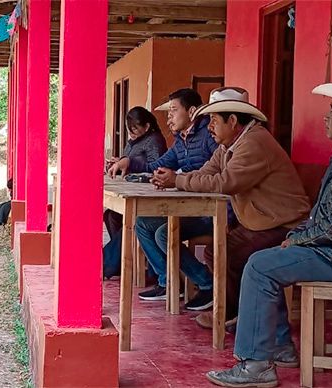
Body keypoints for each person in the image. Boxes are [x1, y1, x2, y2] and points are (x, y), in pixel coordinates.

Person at [206, 73, 332, 387]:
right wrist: (297, 238)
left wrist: (298, 237)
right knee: (269, 258)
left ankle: (256, 365)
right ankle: (280, 345)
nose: (326, 115)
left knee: (259, 265)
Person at [150, 87, 310, 322]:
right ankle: (232, 312)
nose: (210, 126)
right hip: (259, 220)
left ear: (233, 120)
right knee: (219, 251)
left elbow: (225, 182)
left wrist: (179, 180)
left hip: (283, 223)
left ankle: (231, 315)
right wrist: (175, 180)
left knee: (224, 252)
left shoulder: (254, 142)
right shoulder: (228, 146)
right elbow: (206, 173)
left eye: (214, 120)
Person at [109, 89, 232, 305]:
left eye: (174, 110)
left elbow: (221, 174)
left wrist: (178, 178)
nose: (168, 117)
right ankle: (167, 282)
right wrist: (130, 163)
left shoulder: (209, 138)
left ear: (192, 111)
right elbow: (157, 165)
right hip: (191, 208)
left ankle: (206, 283)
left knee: (164, 234)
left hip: (217, 210)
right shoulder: (181, 140)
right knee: (143, 224)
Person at [102, 106, 167, 279]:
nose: (131, 134)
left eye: (135, 130)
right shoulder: (133, 142)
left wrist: (130, 162)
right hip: (133, 187)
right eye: (129, 130)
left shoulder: (154, 140)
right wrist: (119, 162)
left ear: (146, 127)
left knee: (133, 220)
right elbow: (128, 160)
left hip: (149, 193)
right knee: (111, 215)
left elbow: (156, 166)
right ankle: (121, 260)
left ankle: (107, 263)